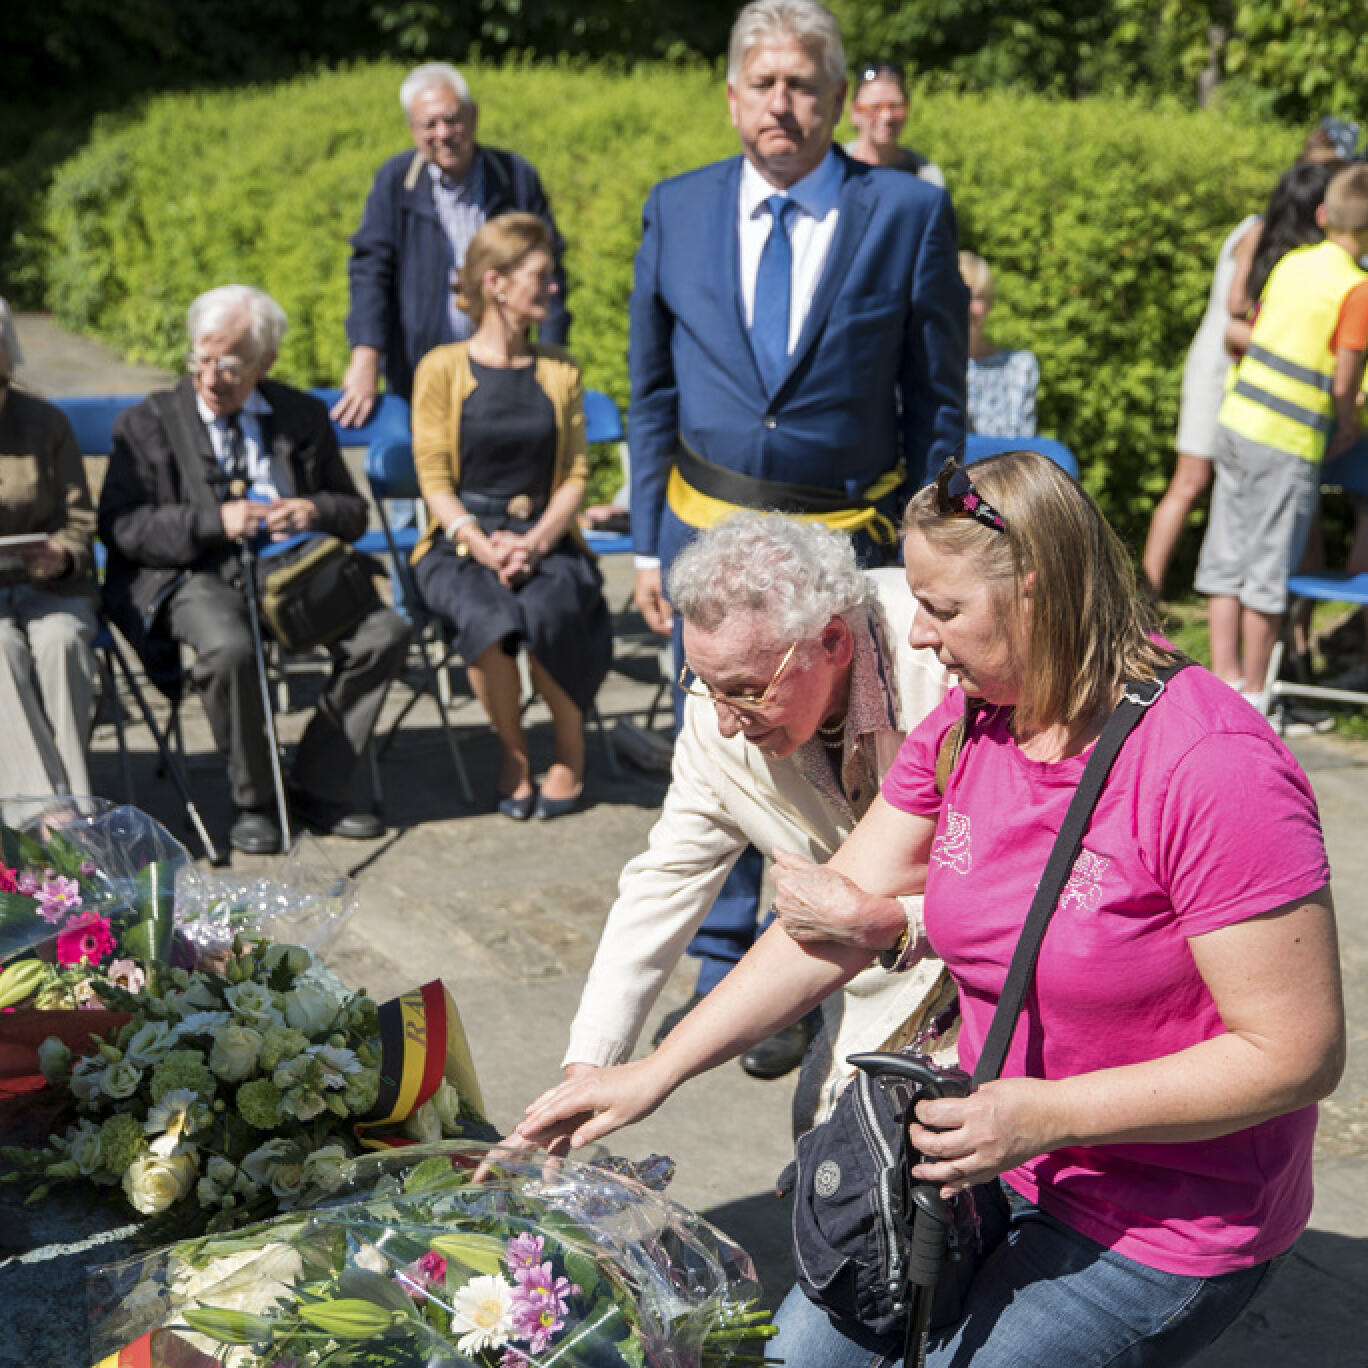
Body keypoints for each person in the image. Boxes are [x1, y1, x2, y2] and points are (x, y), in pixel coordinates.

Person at [515, 450, 1344, 1368]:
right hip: (983, 1169)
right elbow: (818, 935)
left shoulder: (1212, 764)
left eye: (941, 609)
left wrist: (1047, 1116)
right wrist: (654, 1072)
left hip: (1162, 1219)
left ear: (1036, 592)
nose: (916, 636)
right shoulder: (970, 723)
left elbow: (1296, 1054)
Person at [628, 0, 968, 1076]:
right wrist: (644, 544)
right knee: (726, 753)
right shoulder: (677, 206)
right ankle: (728, 964)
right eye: (764, 83)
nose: (783, 103)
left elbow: (937, 400)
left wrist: (934, 551)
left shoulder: (905, 212)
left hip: (847, 539)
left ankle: (837, 956)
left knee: (841, 760)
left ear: (834, 97)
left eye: (803, 84)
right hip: (704, 532)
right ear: (733, 95)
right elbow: (650, 388)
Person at [562, 512, 950, 1110]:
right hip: (861, 985)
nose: (724, 721)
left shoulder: (943, 656)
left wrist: (899, 920)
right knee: (827, 1136)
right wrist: (590, 1066)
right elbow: (667, 878)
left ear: (833, 642)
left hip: (1005, 986)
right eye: (704, 682)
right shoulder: (716, 708)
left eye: (748, 690)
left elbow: (1030, 868)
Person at [100, 285, 412, 854]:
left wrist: (312, 509)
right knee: (229, 649)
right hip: (193, 574)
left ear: (265, 363)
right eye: (201, 359)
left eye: (230, 366)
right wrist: (215, 521)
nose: (211, 377)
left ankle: (317, 784)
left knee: (384, 632)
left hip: (293, 573)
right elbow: (122, 528)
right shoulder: (147, 423)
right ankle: (258, 800)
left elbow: (352, 511)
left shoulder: (300, 414)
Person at [410, 214, 611, 821]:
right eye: (540, 277)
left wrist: (537, 542)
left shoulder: (560, 370)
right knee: (489, 619)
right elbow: (434, 480)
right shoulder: (441, 368)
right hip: (461, 540)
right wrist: (480, 542)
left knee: (550, 608)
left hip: (545, 537)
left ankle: (570, 749)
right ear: (495, 283)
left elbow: (575, 475)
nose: (553, 288)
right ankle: (514, 754)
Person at [1195, 162, 1368, 708]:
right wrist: (1347, 425)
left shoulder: (1292, 262)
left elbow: (1258, 327)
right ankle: (1254, 696)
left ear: (1322, 214)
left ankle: (1221, 680)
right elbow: (1346, 379)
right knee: (1267, 573)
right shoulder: (1356, 288)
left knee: (1225, 560)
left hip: (1237, 422)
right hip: (1287, 441)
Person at [333, 62, 570, 429]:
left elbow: (549, 268)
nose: (443, 134)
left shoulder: (514, 176)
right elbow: (370, 270)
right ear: (413, 130)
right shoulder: (396, 181)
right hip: (417, 371)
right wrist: (365, 356)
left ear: (473, 117)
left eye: (452, 120)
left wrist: (551, 355)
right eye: (429, 125)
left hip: (506, 368)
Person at [0, 310, 100, 799]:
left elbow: (80, 519)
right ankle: (50, 813)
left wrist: (62, 554)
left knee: (63, 640)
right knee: (1, 648)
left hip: (48, 584)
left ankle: (71, 805)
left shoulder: (46, 424)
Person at [1140, 212, 1260, 598]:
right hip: (1217, 368)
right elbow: (1237, 302)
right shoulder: (1258, 229)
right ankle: (1145, 597)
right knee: (1190, 482)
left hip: (1238, 370)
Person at [959, 251, 1038, 438]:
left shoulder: (1019, 367)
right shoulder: (924, 368)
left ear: (989, 303)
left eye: (977, 297)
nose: (968, 307)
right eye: (961, 296)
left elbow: (1021, 446)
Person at [844, 60, 945, 186]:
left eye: (895, 106)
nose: (887, 117)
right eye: (875, 107)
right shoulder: (833, 168)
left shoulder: (926, 175)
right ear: (854, 112)